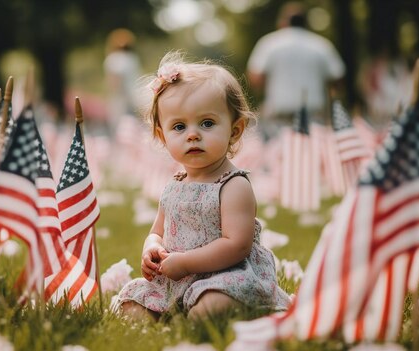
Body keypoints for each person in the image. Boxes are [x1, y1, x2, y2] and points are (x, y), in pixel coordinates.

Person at [114, 52, 291, 320]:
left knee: (212, 305)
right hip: (176, 280)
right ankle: (170, 313)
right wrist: (151, 247)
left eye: (207, 123)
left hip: (225, 276)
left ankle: (201, 313)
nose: (193, 134)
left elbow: (237, 245)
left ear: (235, 130)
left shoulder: (233, 185)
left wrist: (186, 262)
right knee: (129, 304)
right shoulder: (174, 185)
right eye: (179, 126)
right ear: (162, 135)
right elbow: (157, 231)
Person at [246, 2, 345, 140]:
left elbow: (255, 79)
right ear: (306, 23)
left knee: (277, 157)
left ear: (284, 22)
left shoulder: (269, 43)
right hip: (314, 116)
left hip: (279, 116)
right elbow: (338, 79)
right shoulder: (321, 45)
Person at [103, 28, 142, 134]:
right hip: (134, 96)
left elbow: (114, 82)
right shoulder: (133, 58)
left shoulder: (113, 58)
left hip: (121, 97)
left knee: (119, 126)